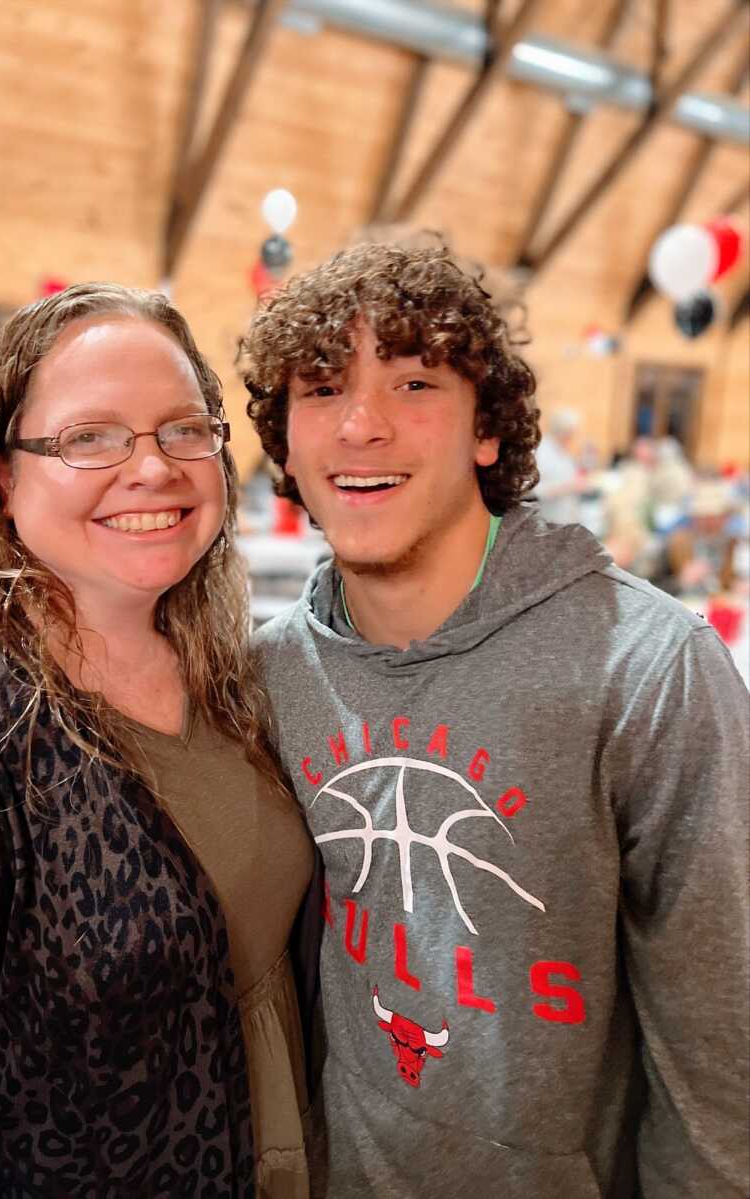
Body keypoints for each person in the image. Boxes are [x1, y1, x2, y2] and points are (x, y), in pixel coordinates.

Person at [239, 243, 749, 1198]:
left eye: (415, 382)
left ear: (487, 431)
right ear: (284, 441)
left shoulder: (648, 669)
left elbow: (724, 1050)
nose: (361, 424)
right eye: (321, 388)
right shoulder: (267, 673)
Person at [0, 283, 313, 1197]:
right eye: (89, 438)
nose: (152, 469)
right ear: (2, 473)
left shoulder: (224, 664)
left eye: (183, 428)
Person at [533, 406, 587, 525]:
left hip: (563, 520)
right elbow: (535, 491)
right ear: (565, 432)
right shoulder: (542, 453)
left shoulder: (563, 452)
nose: (573, 437)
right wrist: (568, 487)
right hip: (546, 520)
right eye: (572, 432)